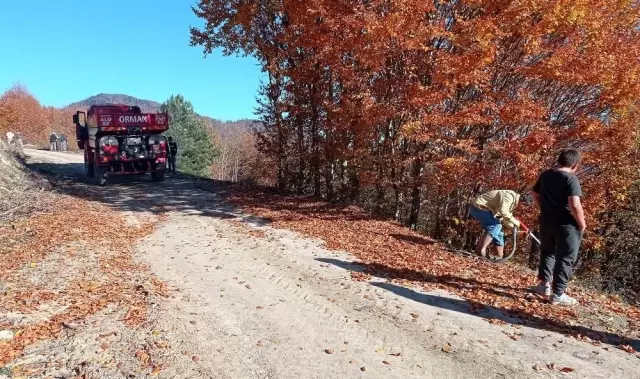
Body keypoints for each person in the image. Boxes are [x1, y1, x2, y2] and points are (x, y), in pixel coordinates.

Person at [529, 149, 585, 306]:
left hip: (546, 220)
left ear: (559, 160)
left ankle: (543, 286)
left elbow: (534, 194)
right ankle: (558, 294)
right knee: (565, 257)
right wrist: (582, 223)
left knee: (547, 252)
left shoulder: (546, 174)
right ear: (575, 165)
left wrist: (543, 209)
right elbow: (574, 204)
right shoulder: (570, 179)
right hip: (566, 224)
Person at [469, 190, 524, 259]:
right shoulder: (509, 196)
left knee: (499, 232)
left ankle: (499, 258)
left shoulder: (512, 202)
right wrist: (515, 221)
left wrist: (515, 231)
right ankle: (480, 250)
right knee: (496, 226)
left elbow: (505, 218)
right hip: (478, 208)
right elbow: (503, 211)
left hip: (482, 210)